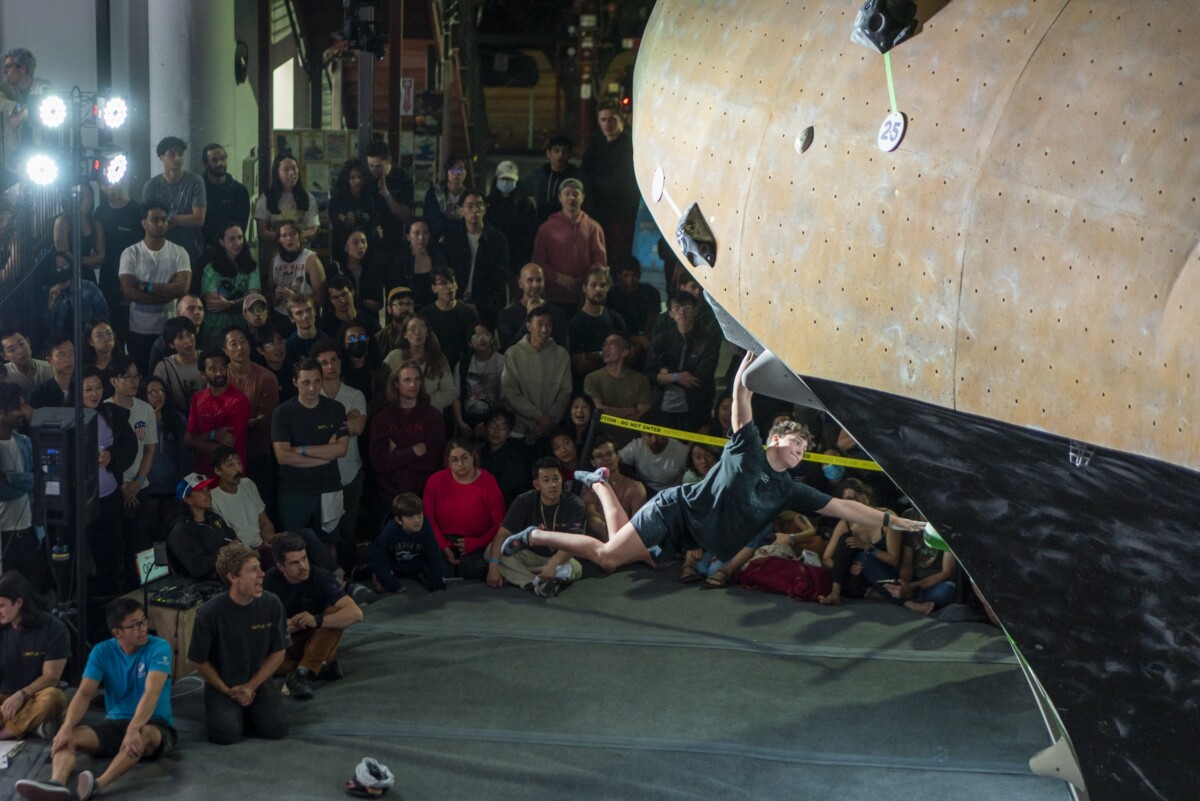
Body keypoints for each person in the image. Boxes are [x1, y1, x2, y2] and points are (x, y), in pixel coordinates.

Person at [502, 352, 927, 574]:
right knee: (610, 557)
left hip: (687, 537)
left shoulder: (789, 490)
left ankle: (599, 482)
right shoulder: (748, 448)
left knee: (617, 537)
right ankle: (535, 535)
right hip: (675, 510)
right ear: (776, 439)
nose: (802, 449)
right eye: (797, 441)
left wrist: (894, 522)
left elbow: (846, 508)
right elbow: (742, 396)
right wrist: (751, 356)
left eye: (805, 446)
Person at [14, 598, 174, 801]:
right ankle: (56, 784)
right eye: (135, 625)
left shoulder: (159, 647)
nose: (143, 628)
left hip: (154, 725)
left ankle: (98, 785)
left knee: (143, 733)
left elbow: (152, 692)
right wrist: (66, 727)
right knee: (68, 737)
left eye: (143, 621)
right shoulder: (102, 651)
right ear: (118, 632)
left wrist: (133, 728)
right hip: (116, 723)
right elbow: (83, 693)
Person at [187, 542, 289, 745]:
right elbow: (198, 660)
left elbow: (279, 651)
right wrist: (226, 690)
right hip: (223, 684)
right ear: (233, 577)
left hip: (258, 679)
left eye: (259, 567)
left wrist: (251, 686)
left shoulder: (271, 603)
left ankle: (250, 707)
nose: (262, 574)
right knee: (225, 734)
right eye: (253, 570)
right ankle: (235, 709)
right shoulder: (210, 613)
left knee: (276, 729)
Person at [263, 533, 363, 699]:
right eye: (295, 563)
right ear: (281, 567)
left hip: (315, 638)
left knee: (334, 615)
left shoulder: (320, 576)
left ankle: (301, 674)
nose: (303, 566)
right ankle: (319, 667)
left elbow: (356, 613)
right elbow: (255, 622)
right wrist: (279, 626)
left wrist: (317, 620)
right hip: (286, 641)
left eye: (304, 558)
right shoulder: (268, 581)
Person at [270, 359, 350, 557]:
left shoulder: (336, 408)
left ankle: (332, 584)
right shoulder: (283, 412)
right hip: (295, 489)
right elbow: (283, 457)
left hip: (329, 486)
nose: (312, 387)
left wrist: (301, 449)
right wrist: (325, 455)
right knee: (292, 545)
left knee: (329, 542)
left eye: (317, 381)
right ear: (295, 382)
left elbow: (341, 449)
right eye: (306, 382)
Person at [488, 457, 587, 598]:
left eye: (556, 479)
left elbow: (574, 543)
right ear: (536, 484)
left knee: (576, 569)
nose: (553, 484)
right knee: (492, 551)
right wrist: (493, 567)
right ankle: (534, 582)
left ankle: (542, 578)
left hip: (559, 557)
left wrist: (553, 564)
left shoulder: (575, 505)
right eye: (546, 480)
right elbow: (503, 533)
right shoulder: (523, 501)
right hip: (528, 556)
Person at [81, 368, 138, 598]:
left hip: (109, 495)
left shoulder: (112, 413)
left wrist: (111, 455)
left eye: (98, 388)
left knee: (110, 549)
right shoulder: (66, 415)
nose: (94, 394)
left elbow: (130, 446)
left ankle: (110, 595)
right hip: (80, 500)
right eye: (88, 389)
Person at [119, 201, 192, 373]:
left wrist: (148, 286)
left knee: (168, 377)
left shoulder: (179, 252)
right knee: (142, 377)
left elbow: (183, 288)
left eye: (164, 219)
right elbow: (129, 292)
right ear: (144, 223)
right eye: (155, 220)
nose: (161, 224)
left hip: (169, 329)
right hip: (139, 329)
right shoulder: (131, 253)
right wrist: (169, 291)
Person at [314, 341, 368, 570]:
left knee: (348, 530)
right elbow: (311, 434)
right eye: (324, 362)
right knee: (323, 530)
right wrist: (345, 421)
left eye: (333, 360)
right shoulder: (312, 395)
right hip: (319, 474)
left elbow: (358, 428)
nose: (330, 366)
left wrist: (329, 427)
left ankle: (349, 575)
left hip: (349, 473)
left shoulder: (354, 395)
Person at [423, 438, 506, 580]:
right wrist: (443, 545)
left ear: (474, 457)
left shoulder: (488, 481)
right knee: (440, 571)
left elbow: (500, 523)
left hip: (479, 540)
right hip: (444, 539)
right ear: (448, 462)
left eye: (464, 458)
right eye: (454, 460)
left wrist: (476, 543)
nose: (460, 464)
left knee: (473, 571)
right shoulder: (435, 480)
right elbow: (427, 517)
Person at [0, 572, 67, 741]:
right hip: (4, 698)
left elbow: (51, 677)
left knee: (53, 698)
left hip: (35, 695)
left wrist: (22, 694)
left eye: (1, 606)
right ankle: (34, 726)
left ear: (19, 603)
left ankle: (6, 733)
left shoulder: (53, 629)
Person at [645, 291, 722, 432]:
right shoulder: (662, 339)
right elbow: (650, 374)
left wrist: (665, 376)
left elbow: (700, 377)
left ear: (696, 310)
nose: (682, 312)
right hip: (663, 406)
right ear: (670, 313)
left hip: (696, 407)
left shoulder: (707, 341)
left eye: (687, 307)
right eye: (676, 308)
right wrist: (677, 377)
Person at [369, 360, 445, 502]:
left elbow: (433, 461)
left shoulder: (434, 416)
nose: (413, 385)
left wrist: (397, 452)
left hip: (424, 494)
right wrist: (413, 451)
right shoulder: (381, 419)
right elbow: (378, 463)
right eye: (407, 380)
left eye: (417, 380)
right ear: (396, 384)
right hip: (389, 495)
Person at [499, 305, 571, 451]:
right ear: (529, 326)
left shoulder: (561, 355)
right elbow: (511, 392)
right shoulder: (513, 353)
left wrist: (547, 421)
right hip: (518, 429)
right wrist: (539, 416)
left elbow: (565, 392)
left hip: (550, 429)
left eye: (548, 324)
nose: (544, 330)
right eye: (539, 324)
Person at [222, 325, 280, 506]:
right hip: (227, 452)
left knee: (261, 503)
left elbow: (267, 418)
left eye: (243, 342)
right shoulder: (220, 376)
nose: (239, 347)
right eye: (233, 344)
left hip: (257, 452)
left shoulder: (266, 378)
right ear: (225, 350)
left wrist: (240, 424)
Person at [531, 179, 607, 313]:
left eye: (575, 194)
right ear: (560, 197)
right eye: (567, 194)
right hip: (553, 296)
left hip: (584, 299)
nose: (571, 198)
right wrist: (558, 278)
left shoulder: (593, 228)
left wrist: (585, 279)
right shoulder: (546, 229)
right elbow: (538, 263)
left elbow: (599, 261)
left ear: (582, 197)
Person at [581, 98, 640, 270]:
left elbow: (620, 183)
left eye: (612, 119)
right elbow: (584, 175)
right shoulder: (595, 147)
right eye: (603, 120)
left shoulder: (630, 145)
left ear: (621, 118)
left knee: (619, 260)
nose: (607, 124)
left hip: (622, 214)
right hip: (598, 213)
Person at [441, 190, 510, 325]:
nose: (475, 210)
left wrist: (479, 305)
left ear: (485, 209)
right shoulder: (451, 238)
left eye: (479, 205)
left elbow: (499, 279)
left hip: (486, 306)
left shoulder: (497, 240)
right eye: (470, 206)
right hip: (454, 302)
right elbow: (445, 272)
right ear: (461, 210)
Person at [0, 386, 45, 587]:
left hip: (28, 533)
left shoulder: (24, 442)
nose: (23, 412)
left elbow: (38, 479)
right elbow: (4, 493)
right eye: (18, 407)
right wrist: (24, 481)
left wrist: (10, 478)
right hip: (4, 538)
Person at [141, 135, 207, 265]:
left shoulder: (195, 181)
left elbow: (199, 219)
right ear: (161, 157)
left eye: (180, 154)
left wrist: (168, 218)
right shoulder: (152, 186)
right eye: (171, 154)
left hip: (190, 249)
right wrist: (185, 219)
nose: (177, 158)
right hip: (160, 250)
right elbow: (149, 223)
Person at [105, 356, 157, 519]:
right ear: (114, 381)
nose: (134, 381)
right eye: (128, 377)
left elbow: (149, 450)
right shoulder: (105, 411)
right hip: (112, 488)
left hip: (140, 486)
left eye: (136, 376)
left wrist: (138, 482)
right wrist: (122, 486)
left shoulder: (146, 409)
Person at [184, 348, 250, 473]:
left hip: (230, 476)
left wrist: (192, 442)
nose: (219, 373)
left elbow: (226, 449)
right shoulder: (197, 398)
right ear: (203, 374)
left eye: (222, 367)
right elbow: (191, 435)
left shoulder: (238, 401)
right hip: (203, 474)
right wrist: (213, 435)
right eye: (213, 369)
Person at [368, 493, 446, 594]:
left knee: (436, 584)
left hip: (416, 566)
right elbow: (377, 558)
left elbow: (434, 555)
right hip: (393, 566)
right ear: (399, 520)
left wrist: (437, 582)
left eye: (419, 515)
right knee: (381, 587)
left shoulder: (426, 528)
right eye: (410, 517)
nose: (417, 521)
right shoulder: (388, 532)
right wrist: (391, 584)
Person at [584, 332, 651, 447]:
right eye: (604, 344)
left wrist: (611, 413)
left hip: (634, 444)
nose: (606, 348)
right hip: (602, 443)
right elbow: (598, 410)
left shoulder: (640, 380)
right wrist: (630, 410)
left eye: (612, 344)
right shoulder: (592, 378)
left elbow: (643, 415)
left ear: (625, 352)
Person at [166, 473, 238, 581]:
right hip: (206, 584)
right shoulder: (181, 530)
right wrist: (226, 552)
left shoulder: (213, 517)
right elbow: (198, 567)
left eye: (208, 489)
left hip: (228, 571)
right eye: (201, 491)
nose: (208, 494)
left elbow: (232, 537)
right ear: (187, 499)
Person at [381, 312, 456, 411]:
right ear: (405, 334)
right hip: (400, 414)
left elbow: (450, 392)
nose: (417, 333)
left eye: (422, 328)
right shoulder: (394, 357)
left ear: (428, 333)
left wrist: (426, 401)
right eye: (412, 329)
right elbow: (382, 389)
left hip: (430, 415)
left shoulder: (438, 359)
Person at [200, 222, 260, 336]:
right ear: (222, 242)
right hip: (216, 329)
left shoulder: (252, 266)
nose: (237, 243)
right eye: (232, 239)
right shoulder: (211, 268)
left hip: (244, 326)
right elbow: (213, 304)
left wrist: (230, 304)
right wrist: (242, 301)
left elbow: (254, 299)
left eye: (240, 237)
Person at [496, 262, 569, 352]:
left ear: (544, 282)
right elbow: (508, 349)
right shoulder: (507, 315)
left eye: (539, 280)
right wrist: (529, 318)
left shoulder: (557, 313)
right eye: (530, 280)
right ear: (520, 283)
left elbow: (562, 349)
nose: (535, 285)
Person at [255, 152, 319, 252]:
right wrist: (284, 238)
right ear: (277, 173)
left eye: (294, 168)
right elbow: (262, 232)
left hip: (301, 252)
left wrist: (294, 237)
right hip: (275, 253)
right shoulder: (266, 198)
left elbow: (313, 229)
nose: (291, 173)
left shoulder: (308, 198)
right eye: (286, 169)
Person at [419, 268, 479, 373]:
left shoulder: (468, 314)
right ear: (434, 288)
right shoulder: (425, 316)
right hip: (434, 368)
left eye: (452, 282)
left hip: (463, 369)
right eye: (443, 283)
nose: (450, 287)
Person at [452, 321, 503, 436]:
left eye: (486, 335)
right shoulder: (462, 364)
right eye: (477, 336)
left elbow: (503, 397)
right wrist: (460, 422)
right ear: (470, 342)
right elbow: (456, 396)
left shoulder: (501, 362)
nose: (482, 339)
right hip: (467, 419)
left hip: (493, 420)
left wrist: (487, 423)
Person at [267, 220, 326, 319]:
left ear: (299, 236)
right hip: (280, 315)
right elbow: (268, 295)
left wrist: (295, 297)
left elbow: (322, 298)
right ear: (279, 240)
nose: (289, 238)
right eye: (284, 235)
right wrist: (276, 295)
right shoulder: (274, 260)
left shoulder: (311, 260)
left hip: (304, 316)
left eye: (292, 234)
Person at [485, 160, 537, 268]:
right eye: (503, 179)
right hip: (492, 259)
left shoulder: (525, 205)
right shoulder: (488, 203)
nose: (506, 182)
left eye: (510, 180)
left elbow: (530, 236)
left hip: (517, 260)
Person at [520, 133, 582, 225]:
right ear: (548, 153)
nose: (560, 155)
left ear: (569, 155)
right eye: (556, 151)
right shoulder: (536, 177)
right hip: (539, 227)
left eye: (564, 152)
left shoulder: (578, 178)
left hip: (568, 227)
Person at [199, 142, 251, 248]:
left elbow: (241, 225)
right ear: (205, 163)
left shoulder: (239, 191)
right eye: (215, 160)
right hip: (204, 249)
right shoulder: (198, 190)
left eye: (222, 159)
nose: (220, 163)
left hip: (231, 249)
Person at [387, 219, 447, 309]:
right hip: (408, 309)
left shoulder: (438, 257)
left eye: (425, 233)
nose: (421, 238)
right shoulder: (401, 259)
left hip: (435, 307)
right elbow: (396, 289)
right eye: (416, 233)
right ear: (408, 236)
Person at [52, 184, 105, 284]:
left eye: (89, 197)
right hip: (67, 278)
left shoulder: (96, 224)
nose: (86, 201)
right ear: (73, 197)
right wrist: (91, 261)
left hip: (89, 279)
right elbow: (65, 257)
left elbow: (101, 258)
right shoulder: (62, 222)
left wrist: (80, 260)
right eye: (82, 197)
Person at [152, 316, 204, 412]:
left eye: (189, 334)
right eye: (180, 337)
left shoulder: (207, 358)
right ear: (171, 344)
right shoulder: (164, 367)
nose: (188, 341)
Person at [478, 409, 527, 506]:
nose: (496, 430)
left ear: (509, 433)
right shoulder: (476, 452)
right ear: (485, 428)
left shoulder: (516, 460)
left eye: (503, 427)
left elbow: (504, 493)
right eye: (492, 425)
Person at [332, 227, 384, 316]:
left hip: (369, 319)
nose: (361, 246)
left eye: (363, 242)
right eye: (355, 243)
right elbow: (336, 301)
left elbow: (378, 304)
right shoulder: (337, 269)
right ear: (345, 247)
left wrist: (353, 300)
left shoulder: (373, 269)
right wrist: (364, 302)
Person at [422, 153, 467, 242]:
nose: (457, 173)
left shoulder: (469, 195)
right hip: (438, 240)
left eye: (461, 170)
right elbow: (434, 221)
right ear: (447, 171)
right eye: (454, 170)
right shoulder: (434, 193)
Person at [1, 329, 52, 399]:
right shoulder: (3, 376)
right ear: (4, 356)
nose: (20, 351)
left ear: (28, 342)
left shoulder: (51, 369)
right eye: (12, 350)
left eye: (22, 344)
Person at [27, 336, 74, 409]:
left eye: (71, 353)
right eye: (62, 355)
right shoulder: (39, 394)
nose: (68, 359)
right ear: (49, 360)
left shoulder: (85, 387)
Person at [375, 286, 416, 356]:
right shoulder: (380, 338)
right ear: (389, 309)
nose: (406, 308)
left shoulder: (424, 333)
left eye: (409, 303)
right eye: (400, 304)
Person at [283, 295, 322, 366]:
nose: (306, 315)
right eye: (299, 313)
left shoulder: (326, 340)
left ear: (315, 311)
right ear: (291, 318)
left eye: (309, 310)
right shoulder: (289, 347)